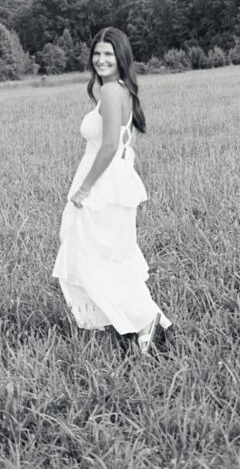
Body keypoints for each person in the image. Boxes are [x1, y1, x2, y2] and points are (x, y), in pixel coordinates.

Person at [52, 27, 171, 354]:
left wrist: (84, 190)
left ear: (121, 57)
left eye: (108, 53)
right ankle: (139, 322)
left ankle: (138, 321)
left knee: (92, 256)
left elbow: (108, 147)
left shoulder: (110, 92)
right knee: (109, 256)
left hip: (100, 183)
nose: (101, 59)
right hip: (113, 181)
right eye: (97, 53)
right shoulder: (119, 89)